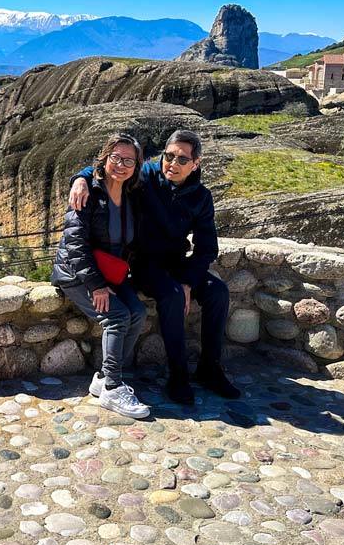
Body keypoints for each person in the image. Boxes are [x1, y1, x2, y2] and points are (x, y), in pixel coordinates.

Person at [69, 128, 237, 406]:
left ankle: (210, 368)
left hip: (176, 264)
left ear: (196, 164)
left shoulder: (201, 197)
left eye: (182, 160)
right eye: (169, 156)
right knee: (170, 296)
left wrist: (187, 281)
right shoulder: (146, 176)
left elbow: (208, 248)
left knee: (217, 291)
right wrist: (80, 178)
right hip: (144, 264)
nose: (172, 164)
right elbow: (113, 166)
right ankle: (178, 376)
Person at [51, 132, 150, 418]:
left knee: (138, 313)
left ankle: (105, 379)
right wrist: (96, 286)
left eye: (128, 160)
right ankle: (113, 388)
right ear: (104, 158)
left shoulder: (132, 193)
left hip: (112, 274)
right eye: (115, 158)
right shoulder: (87, 193)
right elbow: (74, 244)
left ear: (136, 165)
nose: (121, 165)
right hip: (77, 274)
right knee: (117, 317)